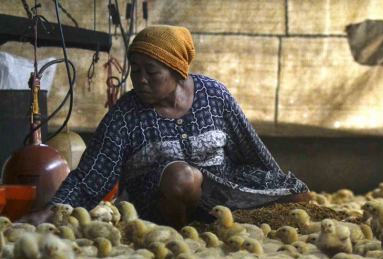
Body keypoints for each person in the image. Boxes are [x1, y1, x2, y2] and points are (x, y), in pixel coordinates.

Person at [22, 25, 309, 228]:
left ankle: (219, 224)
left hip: (220, 190)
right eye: (135, 70)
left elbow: (251, 150)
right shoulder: (125, 114)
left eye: (151, 71)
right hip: (159, 202)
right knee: (181, 176)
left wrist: (278, 187)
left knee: (298, 193)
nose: (140, 80)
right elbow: (89, 178)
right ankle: (183, 235)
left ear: (177, 70)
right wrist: (51, 213)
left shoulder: (214, 95)